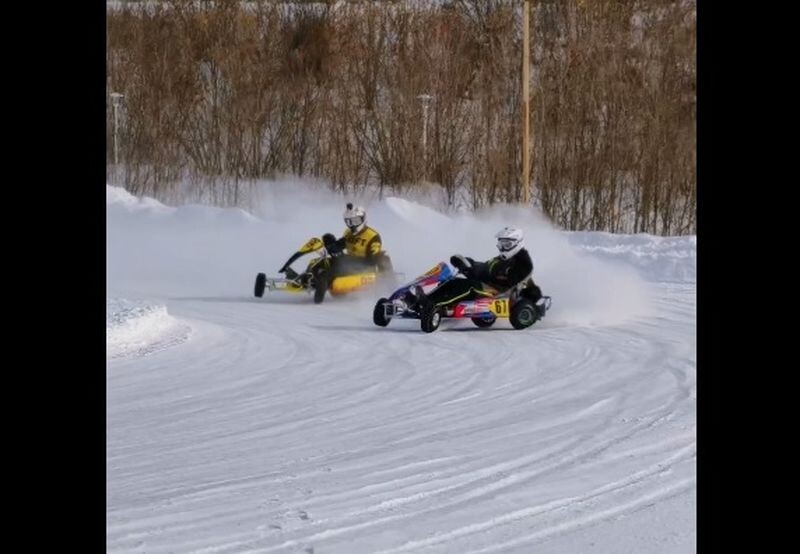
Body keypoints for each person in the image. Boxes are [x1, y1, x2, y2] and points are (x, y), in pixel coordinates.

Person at [406, 226, 541, 309]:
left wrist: (475, 272)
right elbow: (486, 267)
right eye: (501, 244)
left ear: (517, 243)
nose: (502, 247)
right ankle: (424, 301)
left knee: (469, 286)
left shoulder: (524, 263)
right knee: (453, 281)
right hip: (489, 285)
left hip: (499, 293)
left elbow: (508, 280)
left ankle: (434, 305)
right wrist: (470, 265)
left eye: (506, 244)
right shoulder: (503, 259)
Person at [278, 203, 392, 282]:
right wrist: (328, 246)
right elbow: (341, 244)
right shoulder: (349, 233)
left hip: (364, 266)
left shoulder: (373, 236)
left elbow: (372, 259)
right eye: (349, 222)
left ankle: (322, 280)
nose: (352, 225)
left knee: (336, 266)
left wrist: (348, 260)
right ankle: (305, 277)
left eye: (355, 221)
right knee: (322, 254)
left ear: (363, 220)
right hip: (349, 261)